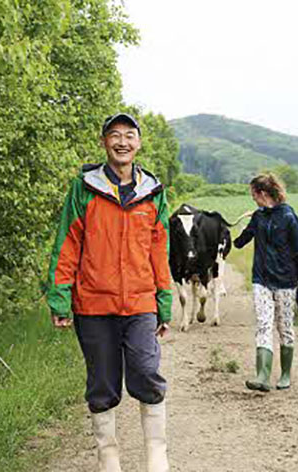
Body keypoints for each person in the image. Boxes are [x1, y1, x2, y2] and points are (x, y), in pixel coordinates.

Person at [46, 113, 172, 472]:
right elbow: (67, 244)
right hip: (93, 303)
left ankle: (157, 458)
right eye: (114, 135)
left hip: (140, 302)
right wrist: (60, 296)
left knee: (146, 372)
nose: (122, 142)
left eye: (129, 135)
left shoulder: (153, 193)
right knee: (102, 384)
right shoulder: (84, 188)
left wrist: (164, 303)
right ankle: (109, 460)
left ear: (139, 143)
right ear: (104, 142)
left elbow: (158, 252)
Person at [233, 173, 298, 392]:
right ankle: (263, 375)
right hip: (262, 280)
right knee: (263, 323)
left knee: (284, 327)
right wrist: (236, 234)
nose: (253, 200)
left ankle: (285, 374)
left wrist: (296, 276)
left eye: (254, 195)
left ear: (263, 194)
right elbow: (241, 241)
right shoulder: (258, 217)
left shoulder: (288, 216)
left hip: (285, 281)